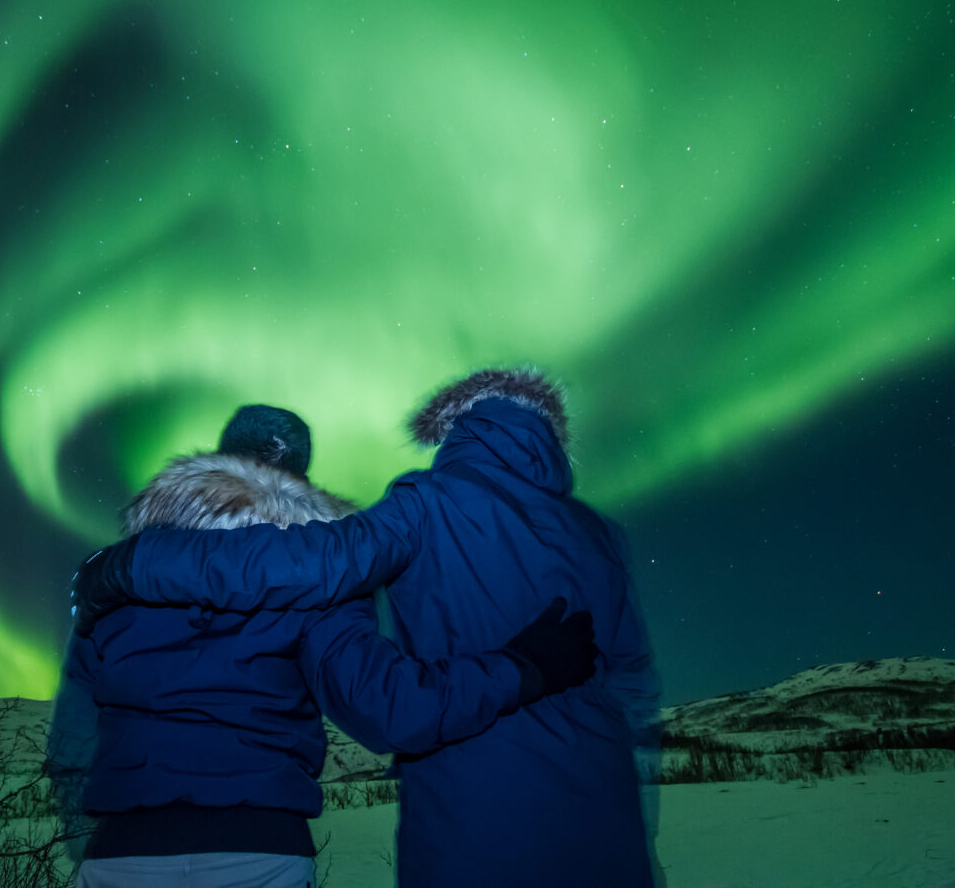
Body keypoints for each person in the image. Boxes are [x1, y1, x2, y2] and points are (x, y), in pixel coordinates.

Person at [72, 369, 663, 887]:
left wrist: (134, 563)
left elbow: (72, 734)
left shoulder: (117, 590)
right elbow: (395, 708)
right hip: (602, 827)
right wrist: (523, 667)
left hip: (120, 851)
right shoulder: (601, 536)